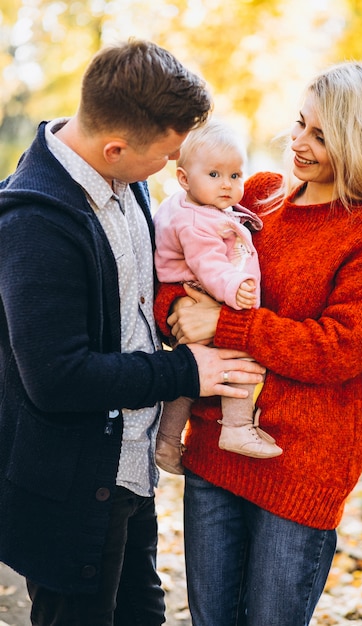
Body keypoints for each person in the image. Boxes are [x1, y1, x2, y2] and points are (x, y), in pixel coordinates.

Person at [0, 39, 266, 626]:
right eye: (167, 156)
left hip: (129, 468)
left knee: (144, 614)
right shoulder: (34, 224)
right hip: (69, 489)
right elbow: (57, 379)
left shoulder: (128, 180)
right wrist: (186, 370)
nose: (173, 169)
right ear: (115, 146)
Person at [154, 61, 362, 625]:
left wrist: (223, 325)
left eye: (320, 135)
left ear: (359, 141)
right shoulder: (256, 195)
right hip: (216, 452)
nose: (297, 142)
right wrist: (177, 309)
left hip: (299, 472)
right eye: (300, 124)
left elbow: (340, 348)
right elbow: (175, 265)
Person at [153, 119, 282, 474]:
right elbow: (207, 263)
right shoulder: (196, 224)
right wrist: (233, 290)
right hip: (208, 290)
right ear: (183, 178)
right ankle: (238, 428)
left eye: (236, 176)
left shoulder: (196, 207)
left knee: (189, 377)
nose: (227, 185)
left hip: (195, 294)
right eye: (214, 175)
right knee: (241, 357)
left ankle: (165, 442)